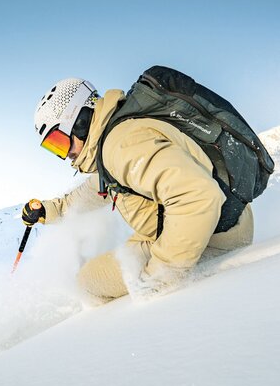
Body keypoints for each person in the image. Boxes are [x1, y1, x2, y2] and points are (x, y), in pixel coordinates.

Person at [23, 77, 254, 299]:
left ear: (80, 122)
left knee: (88, 283)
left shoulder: (122, 145)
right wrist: (47, 210)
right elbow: (89, 194)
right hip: (207, 228)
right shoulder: (114, 143)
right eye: (54, 148)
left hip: (211, 238)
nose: (65, 156)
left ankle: (133, 321)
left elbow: (197, 195)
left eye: (59, 141)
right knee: (101, 269)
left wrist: (158, 278)